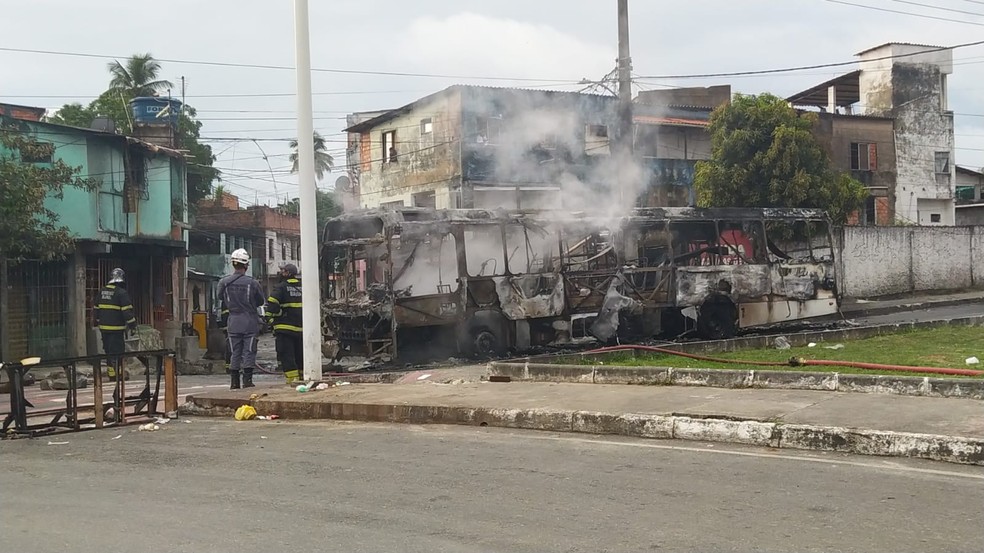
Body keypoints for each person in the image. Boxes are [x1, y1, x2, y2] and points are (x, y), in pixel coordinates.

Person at [217, 248, 265, 389]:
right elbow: (260, 301)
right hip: (249, 321)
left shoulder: (224, 282)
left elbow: (221, 297)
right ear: (246, 265)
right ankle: (247, 381)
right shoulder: (253, 283)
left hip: (233, 321)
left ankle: (234, 382)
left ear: (233, 264)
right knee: (249, 351)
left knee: (235, 351)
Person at [95, 268, 138, 380]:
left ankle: (112, 374)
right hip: (116, 329)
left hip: (104, 329)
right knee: (118, 352)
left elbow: (96, 310)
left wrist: (100, 323)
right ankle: (119, 374)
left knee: (108, 351)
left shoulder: (101, 291)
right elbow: (127, 312)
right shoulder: (121, 293)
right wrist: (133, 326)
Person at [266, 263, 303, 384]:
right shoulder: (303, 286)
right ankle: (303, 379)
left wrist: (271, 319)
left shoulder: (281, 287)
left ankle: (292, 381)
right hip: (301, 330)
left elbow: (272, 305)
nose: (281, 273)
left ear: (288, 273)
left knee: (287, 356)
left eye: (283, 271)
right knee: (300, 356)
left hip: (284, 329)